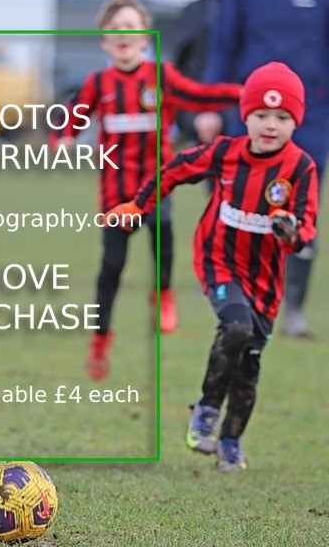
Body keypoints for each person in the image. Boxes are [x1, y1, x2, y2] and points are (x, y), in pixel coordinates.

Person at [109, 62, 318, 472]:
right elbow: (172, 170)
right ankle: (205, 409)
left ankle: (231, 441)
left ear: (295, 120)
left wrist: (290, 232)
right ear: (246, 117)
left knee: (249, 368)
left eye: (281, 117)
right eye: (260, 115)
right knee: (235, 327)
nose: (270, 125)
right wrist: (138, 204)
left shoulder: (301, 168)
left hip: (266, 282)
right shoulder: (225, 152)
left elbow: (307, 228)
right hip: (218, 262)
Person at [50, 0, 242, 381]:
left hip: (156, 185)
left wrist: (242, 94)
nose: (124, 35)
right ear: (105, 41)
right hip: (115, 193)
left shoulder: (163, 77)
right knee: (112, 267)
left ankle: (164, 296)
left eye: (131, 28)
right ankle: (100, 341)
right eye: (116, 29)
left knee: (164, 233)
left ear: (144, 38)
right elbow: (72, 116)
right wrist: (63, 138)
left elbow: (199, 95)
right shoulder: (98, 82)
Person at [203, 0, 329, 338]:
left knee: (300, 212)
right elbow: (223, 49)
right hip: (251, 119)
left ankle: (293, 310)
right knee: (246, 208)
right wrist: (210, 107)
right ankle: (241, 300)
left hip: (312, 119)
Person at [172, 0, 249, 148]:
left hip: (207, 109)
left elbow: (181, 65)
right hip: (242, 108)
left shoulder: (195, 12)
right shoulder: (253, 13)